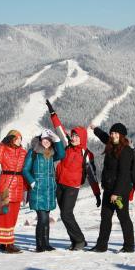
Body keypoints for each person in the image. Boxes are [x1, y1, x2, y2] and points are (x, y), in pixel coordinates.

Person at [46, 100, 102, 251]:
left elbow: (92, 176)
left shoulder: (86, 154)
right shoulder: (66, 145)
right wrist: (53, 113)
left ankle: (80, 241)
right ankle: (76, 241)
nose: (73, 138)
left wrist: (97, 194)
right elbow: (59, 128)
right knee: (65, 215)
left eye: (77, 136)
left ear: (82, 138)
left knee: (66, 213)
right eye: (73, 135)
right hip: (60, 184)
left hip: (72, 187)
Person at [88, 122, 135, 253]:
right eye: (112, 133)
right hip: (109, 189)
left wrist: (117, 193)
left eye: (115, 133)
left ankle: (129, 246)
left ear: (121, 135)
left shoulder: (126, 151)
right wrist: (95, 129)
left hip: (119, 191)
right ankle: (101, 245)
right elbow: (105, 137)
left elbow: (124, 174)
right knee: (105, 217)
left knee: (123, 217)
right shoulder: (111, 146)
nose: (113, 135)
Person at [23, 129, 65, 252]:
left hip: (48, 189)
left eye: (48, 140)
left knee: (46, 217)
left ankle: (46, 244)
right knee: (43, 218)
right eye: (44, 140)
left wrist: (57, 140)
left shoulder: (50, 153)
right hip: (37, 189)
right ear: (40, 141)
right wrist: (32, 182)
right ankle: (39, 244)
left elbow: (62, 154)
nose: (46, 142)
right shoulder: (33, 152)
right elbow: (25, 169)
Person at [0, 130, 28, 253]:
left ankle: (5, 242)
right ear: (11, 139)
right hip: (5, 184)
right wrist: (2, 144)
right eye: (17, 138)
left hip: (18, 185)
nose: (19, 141)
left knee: (13, 216)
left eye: (20, 139)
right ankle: (7, 244)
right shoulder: (4, 149)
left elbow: (27, 169)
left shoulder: (24, 152)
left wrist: (26, 188)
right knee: (4, 215)